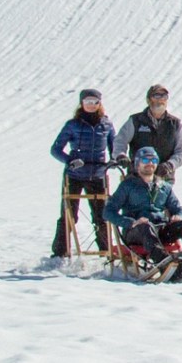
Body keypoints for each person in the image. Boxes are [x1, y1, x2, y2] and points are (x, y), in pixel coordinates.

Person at [103, 148, 182, 266]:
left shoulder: (164, 186)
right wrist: (131, 222)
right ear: (137, 164)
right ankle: (164, 262)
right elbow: (108, 212)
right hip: (137, 232)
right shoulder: (128, 186)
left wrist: (178, 216)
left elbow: (178, 209)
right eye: (145, 160)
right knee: (145, 227)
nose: (150, 163)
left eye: (153, 160)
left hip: (160, 230)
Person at [50, 88, 118, 255]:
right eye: (87, 102)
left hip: (97, 175)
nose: (91, 105)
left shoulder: (106, 124)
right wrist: (70, 161)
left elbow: (115, 148)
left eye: (94, 102)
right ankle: (60, 253)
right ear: (81, 103)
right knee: (69, 215)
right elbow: (56, 149)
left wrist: (115, 160)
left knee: (101, 217)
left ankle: (105, 252)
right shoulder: (72, 125)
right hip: (74, 175)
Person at [116, 84, 182, 170]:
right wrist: (121, 155)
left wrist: (170, 165)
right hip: (137, 175)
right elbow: (120, 141)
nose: (160, 100)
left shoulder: (174, 124)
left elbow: (180, 150)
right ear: (148, 100)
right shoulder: (136, 121)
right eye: (156, 96)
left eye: (164, 96)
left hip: (163, 176)